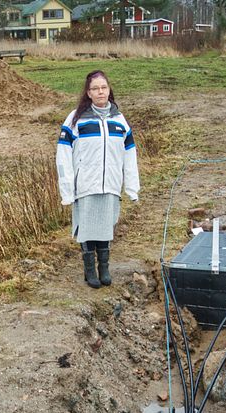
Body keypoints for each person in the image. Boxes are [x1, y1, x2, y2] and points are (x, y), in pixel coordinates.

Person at [56, 70, 140, 289]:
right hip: (86, 184)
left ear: (109, 90)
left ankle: (104, 267)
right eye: (95, 88)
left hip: (110, 184)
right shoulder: (76, 119)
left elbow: (129, 153)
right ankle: (89, 269)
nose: (100, 92)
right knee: (87, 227)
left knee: (104, 227)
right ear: (88, 93)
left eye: (103, 87)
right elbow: (63, 154)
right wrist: (67, 188)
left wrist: (132, 187)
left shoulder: (119, 120)